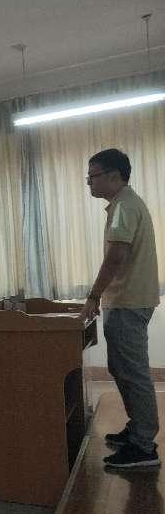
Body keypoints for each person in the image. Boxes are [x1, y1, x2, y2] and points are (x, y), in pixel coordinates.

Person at [79, 149, 160, 469]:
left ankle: (144, 446)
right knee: (122, 368)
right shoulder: (123, 204)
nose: (89, 183)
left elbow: (116, 257)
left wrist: (93, 295)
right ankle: (138, 429)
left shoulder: (125, 206)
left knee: (133, 372)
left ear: (114, 176)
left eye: (92, 176)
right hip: (126, 300)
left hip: (129, 301)